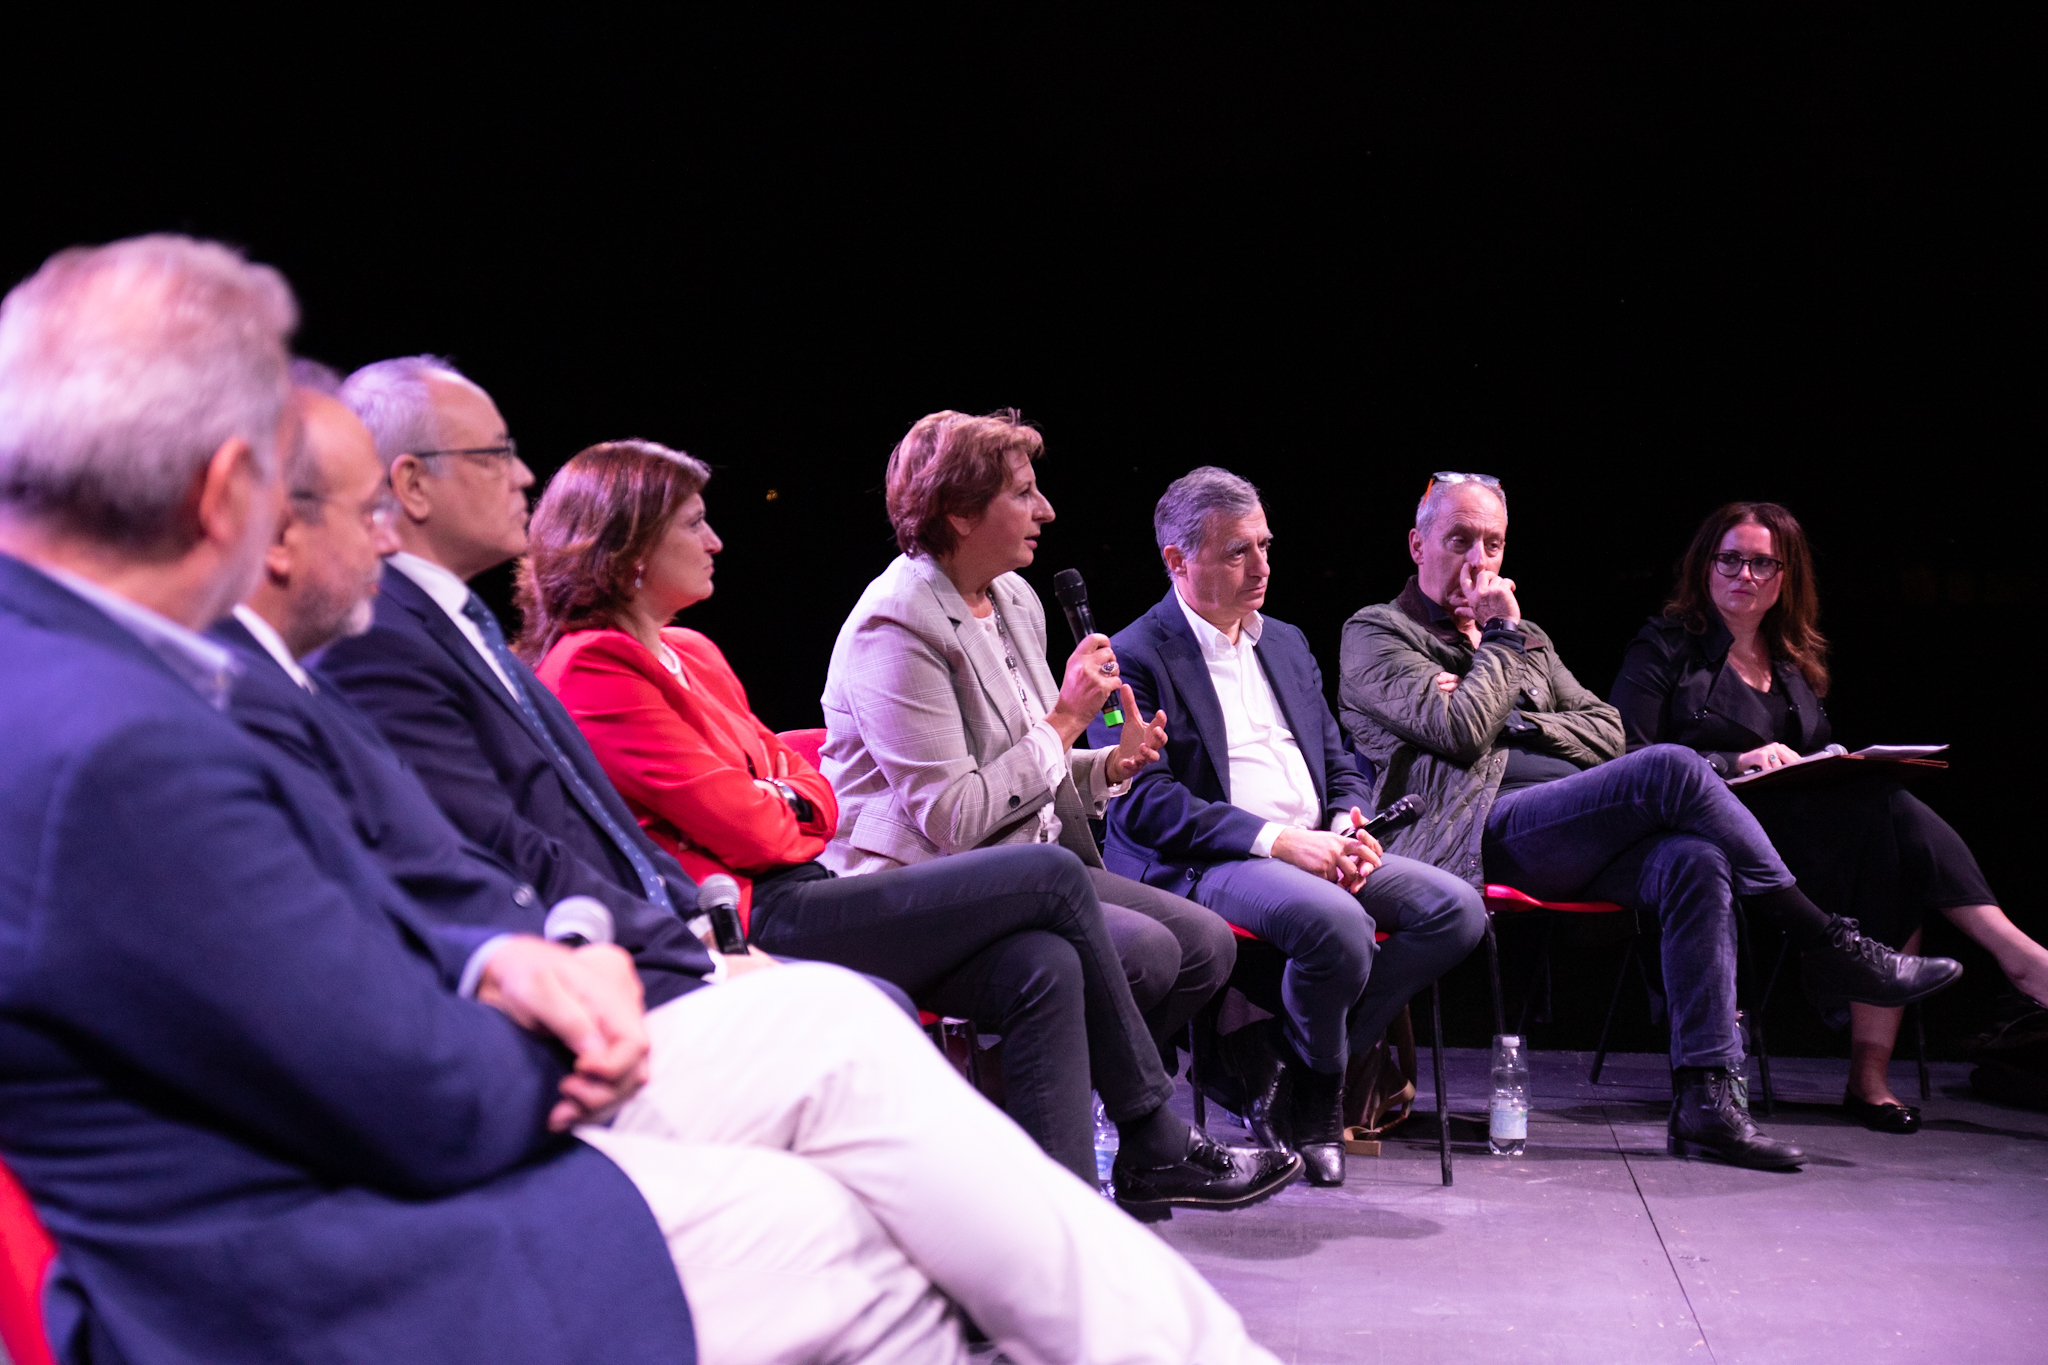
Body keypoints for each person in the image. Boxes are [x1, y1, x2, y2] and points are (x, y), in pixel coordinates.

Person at [0, 235, 1290, 1365]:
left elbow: (409, 881)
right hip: (326, 1259)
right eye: (336, 502)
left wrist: (508, 951)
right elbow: (410, 1079)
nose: (373, 537)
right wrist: (578, 1006)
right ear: (230, 497)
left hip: (411, 1119)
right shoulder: (124, 740)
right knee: (861, 1221)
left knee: (863, 1058)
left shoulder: (103, 680)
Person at [516, 435, 1299, 1212]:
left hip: (821, 880)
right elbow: (766, 821)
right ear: (628, 546)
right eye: (693, 523)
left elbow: (798, 785)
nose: (716, 539)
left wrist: (787, 799)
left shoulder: (692, 650)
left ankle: (1063, 1217)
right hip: (759, 912)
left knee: (1046, 963)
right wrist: (790, 801)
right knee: (1057, 879)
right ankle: (1153, 1135)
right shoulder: (594, 664)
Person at [1338, 471, 1966, 1169]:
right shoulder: (1379, 632)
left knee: (1697, 858)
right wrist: (1501, 642)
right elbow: (1459, 731)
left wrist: (1516, 720)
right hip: (1471, 831)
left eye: (1493, 543)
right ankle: (1826, 939)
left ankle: (1706, 1102)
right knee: (1670, 766)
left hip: (1569, 826)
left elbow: (1607, 731)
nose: (1479, 562)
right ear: (1417, 544)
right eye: (1460, 541)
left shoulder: (1529, 638)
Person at [213, 383, 719, 1007]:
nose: (524, 475)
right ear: (413, 484)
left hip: (641, 945)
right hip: (596, 969)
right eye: (496, 454)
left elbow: (602, 821)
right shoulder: (375, 640)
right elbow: (491, 846)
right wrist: (691, 953)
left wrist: (698, 929)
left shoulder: (462, 624)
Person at [1093, 466, 1490, 1188]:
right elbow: (1143, 804)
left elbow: (1339, 758)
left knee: (1456, 909)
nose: (1262, 567)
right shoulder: (1130, 658)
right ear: (1178, 560)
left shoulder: (1286, 641)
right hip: (1208, 861)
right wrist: (1282, 842)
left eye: (1265, 546)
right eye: (1237, 552)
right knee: (1339, 925)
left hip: (1314, 843)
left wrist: (1345, 820)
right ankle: (1321, 1101)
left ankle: (1287, 1062)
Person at [1611, 500, 2048, 1132]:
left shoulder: (1791, 660)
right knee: (1885, 816)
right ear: (1704, 566)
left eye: (1762, 563)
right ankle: (2018, 956)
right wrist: (1734, 762)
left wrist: (1830, 762)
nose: (1744, 574)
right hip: (1705, 840)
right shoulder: (1664, 647)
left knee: (1890, 846)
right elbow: (1629, 757)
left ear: (1785, 576)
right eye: (1729, 559)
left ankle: (1870, 1081)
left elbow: (1814, 756)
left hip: (1800, 842)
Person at [819, 408, 1236, 1056]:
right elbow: (956, 817)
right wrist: (1068, 718)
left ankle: (1075, 1097)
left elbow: (1022, 756)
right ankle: (1050, 1098)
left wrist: (1107, 767)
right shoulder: (896, 625)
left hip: (1033, 862)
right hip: (930, 882)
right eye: (1022, 493)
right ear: (960, 512)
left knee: (1208, 945)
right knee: (1147, 953)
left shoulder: (1014, 597)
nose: (1045, 510)